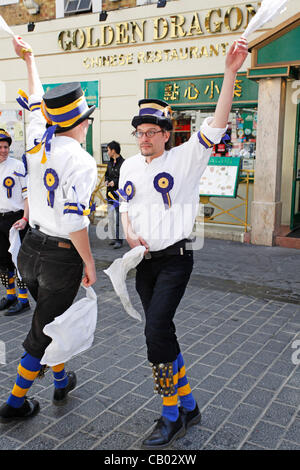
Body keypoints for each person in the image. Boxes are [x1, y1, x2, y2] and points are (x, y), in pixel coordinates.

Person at [119, 38, 248, 449]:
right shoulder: (128, 164)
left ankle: (171, 415)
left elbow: (218, 122)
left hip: (176, 259)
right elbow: (125, 204)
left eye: (151, 131)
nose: (144, 137)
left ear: (166, 133)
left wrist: (229, 72)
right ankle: (190, 403)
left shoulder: (188, 157)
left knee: (155, 332)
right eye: (139, 131)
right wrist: (125, 230)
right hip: (143, 261)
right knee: (164, 334)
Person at [0, 36, 97, 423]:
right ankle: (14, 403)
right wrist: (89, 261)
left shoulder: (39, 143)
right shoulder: (83, 161)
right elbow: (75, 222)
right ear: (84, 122)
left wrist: (31, 60)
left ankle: (60, 381)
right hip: (60, 255)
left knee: (49, 317)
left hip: (30, 248)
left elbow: (39, 103)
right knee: (41, 331)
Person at [0, 129, 30, 316]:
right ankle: (10, 295)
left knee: (18, 261)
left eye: (6, 147)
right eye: (0, 147)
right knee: (2, 261)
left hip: (15, 219)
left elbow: (28, 196)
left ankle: (23, 299)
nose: (3, 150)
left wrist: (25, 218)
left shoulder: (17, 166)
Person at [105, 141, 124, 249]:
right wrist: (107, 181)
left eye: (108, 150)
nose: (107, 152)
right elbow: (106, 175)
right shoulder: (109, 163)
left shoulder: (123, 163)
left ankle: (119, 240)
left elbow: (124, 178)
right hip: (110, 194)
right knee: (111, 217)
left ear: (113, 150)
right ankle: (114, 238)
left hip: (118, 195)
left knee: (118, 218)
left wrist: (115, 182)